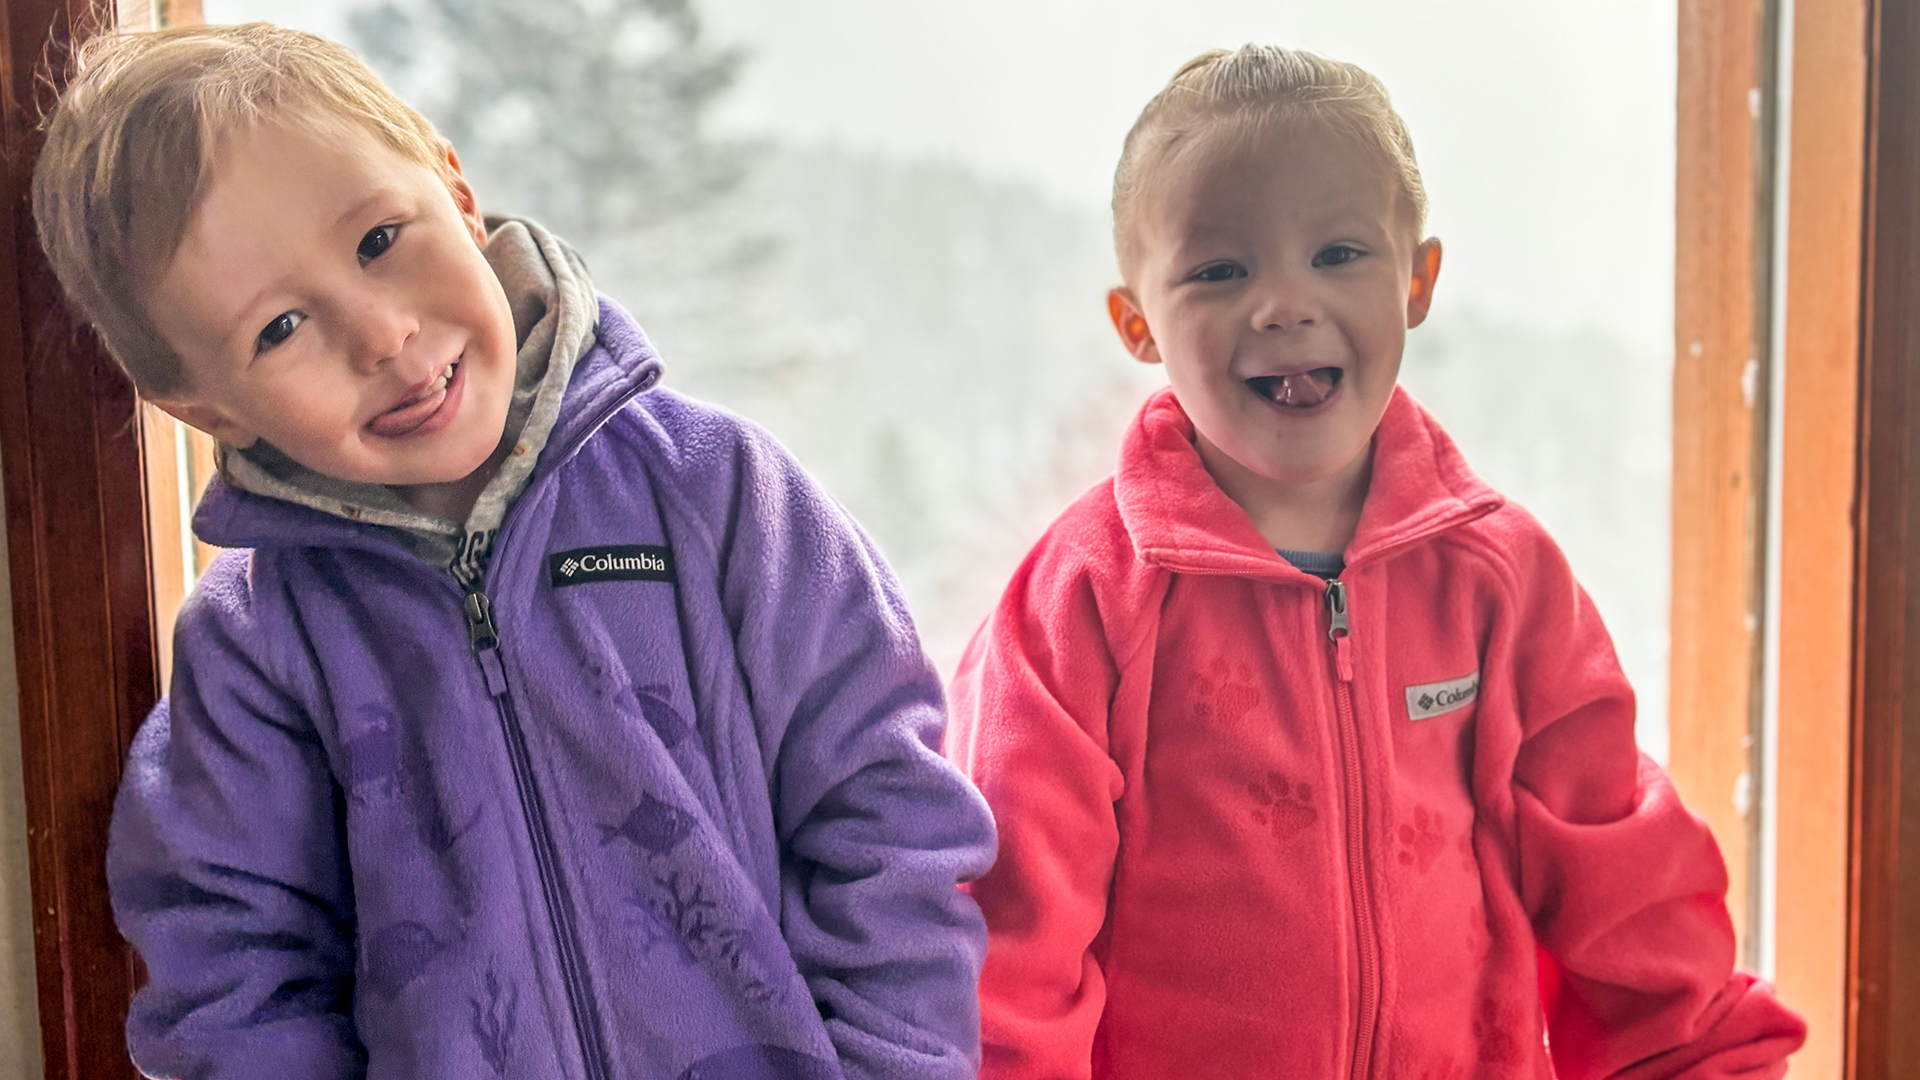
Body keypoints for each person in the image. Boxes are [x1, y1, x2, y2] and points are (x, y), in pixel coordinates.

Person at [33, 22, 994, 1080]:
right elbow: (230, 975)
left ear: (452, 186)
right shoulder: (260, 645)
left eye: (378, 241)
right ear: (202, 407)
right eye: (282, 326)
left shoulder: (716, 492)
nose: (384, 335)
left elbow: (888, 814)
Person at [945, 45, 1806, 1079]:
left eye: (1339, 253)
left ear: (1417, 281)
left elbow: (1628, 891)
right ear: (1137, 323)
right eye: (1221, 270)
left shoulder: (1504, 583)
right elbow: (1008, 952)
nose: (1283, 303)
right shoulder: (1081, 602)